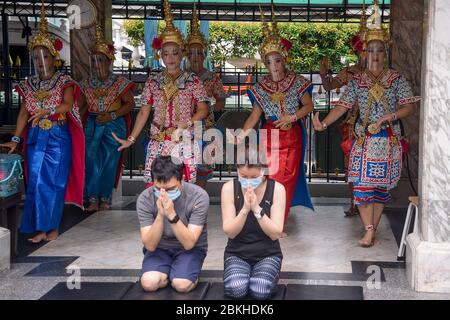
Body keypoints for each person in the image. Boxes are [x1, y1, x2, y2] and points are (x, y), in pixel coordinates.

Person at [312, 0, 420, 247]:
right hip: (364, 140)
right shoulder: (357, 80)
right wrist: (325, 123)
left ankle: (372, 229)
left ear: (386, 52)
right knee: (361, 187)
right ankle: (369, 229)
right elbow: (343, 106)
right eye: (370, 50)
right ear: (364, 53)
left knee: (380, 190)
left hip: (388, 140)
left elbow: (408, 107)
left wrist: (389, 117)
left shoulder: (396, 78)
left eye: (379, 50)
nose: (375, 55)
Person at [0, 2, 85, 243]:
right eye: (36, 56)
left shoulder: (64, 81)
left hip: (58, 137)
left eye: (44, 55)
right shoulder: (28, 84)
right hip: (36, 138)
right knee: (36, 184)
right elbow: (24, 114)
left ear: (54, 57)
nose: (40, 60)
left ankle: (52, 227)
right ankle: (39, 228)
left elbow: (68, 106)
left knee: (54, 184)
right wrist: (16, 139)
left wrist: (48, 109)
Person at [229, 8, 314, 233]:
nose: (274, 66)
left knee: (287, 179)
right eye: (269, 62)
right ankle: (264, 218)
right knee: (269, 177)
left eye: (277, 60)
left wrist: (292, 116)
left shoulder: (297, 82)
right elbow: (254, 117)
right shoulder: (261, 88)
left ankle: (278, 222)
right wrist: (240, 137)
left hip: (292, 135)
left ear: (284, 60)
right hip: (269, 136)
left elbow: (309, 106)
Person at [113, 0, 208, 187]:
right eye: (166, 53)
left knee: (183, 186)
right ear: (160, 55)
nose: (171, 58)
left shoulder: (193, 80)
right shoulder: (153, 81)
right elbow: (143, 112)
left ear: (182, 54)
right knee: (157, 187)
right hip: (158, 140)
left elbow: (203, 109)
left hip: (183, 139)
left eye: (175, 53)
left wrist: (188, 122)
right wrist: (131, 139)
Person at [78, 24, 135, 213]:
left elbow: (130, 104)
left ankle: (105, 198)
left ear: (109, 61)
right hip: (92, 126)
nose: (97, 64)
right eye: (94, 61)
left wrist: (111, 115)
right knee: (91, 162)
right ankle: (92, 198)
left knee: (109, 163)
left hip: (113, 126)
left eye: (101, 60)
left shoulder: (120, 82)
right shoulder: (86, 83)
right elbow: (81, 106)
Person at [319, 8, 368, 217]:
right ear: (357, 51)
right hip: (352, 123)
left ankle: (370, 202)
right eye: (363, 50)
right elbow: (330, 86)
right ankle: (355, 202)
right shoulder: (350, 72)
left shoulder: (386, 74)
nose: (367, 54)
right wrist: (323, 74)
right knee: (351, 165)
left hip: (376, 124)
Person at [137, 155, 209, 293]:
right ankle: (170, 271)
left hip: (189, 249)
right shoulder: (145, 198)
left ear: (181, 180)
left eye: (170, 189)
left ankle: (182, 272)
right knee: (149, 283)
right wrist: (160, 214)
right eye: (158, 189)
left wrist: (172, 215)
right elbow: (150, 245)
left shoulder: (198, 196)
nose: (164, 194)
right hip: (159, 248)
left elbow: (189, 243)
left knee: (181, 285)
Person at [221, 146, 285, 299]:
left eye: (254, 177)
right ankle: (243, 274)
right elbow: (230, 231)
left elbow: (275, 233)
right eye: (243, 176)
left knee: (260, 290)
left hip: (268, 254)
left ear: (263, 172)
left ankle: (261, 275)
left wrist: (257, 209)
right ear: (237, 170)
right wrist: (244, 209)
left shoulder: (277, 189)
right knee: (236, 289)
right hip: (237, 253)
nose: (248, 182)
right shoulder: (229, 188)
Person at [186, 3, 227, 190]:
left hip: (206, 126)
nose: (195, 56)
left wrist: (208, 109)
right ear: (186, 54)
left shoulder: (212, 78)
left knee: (203, 165)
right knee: (185, 164)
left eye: (199, 53)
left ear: (204, 55)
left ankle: (199, 199)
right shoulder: (180, 77)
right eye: (191, 52)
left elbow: (221, 100)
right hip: (184, 125)